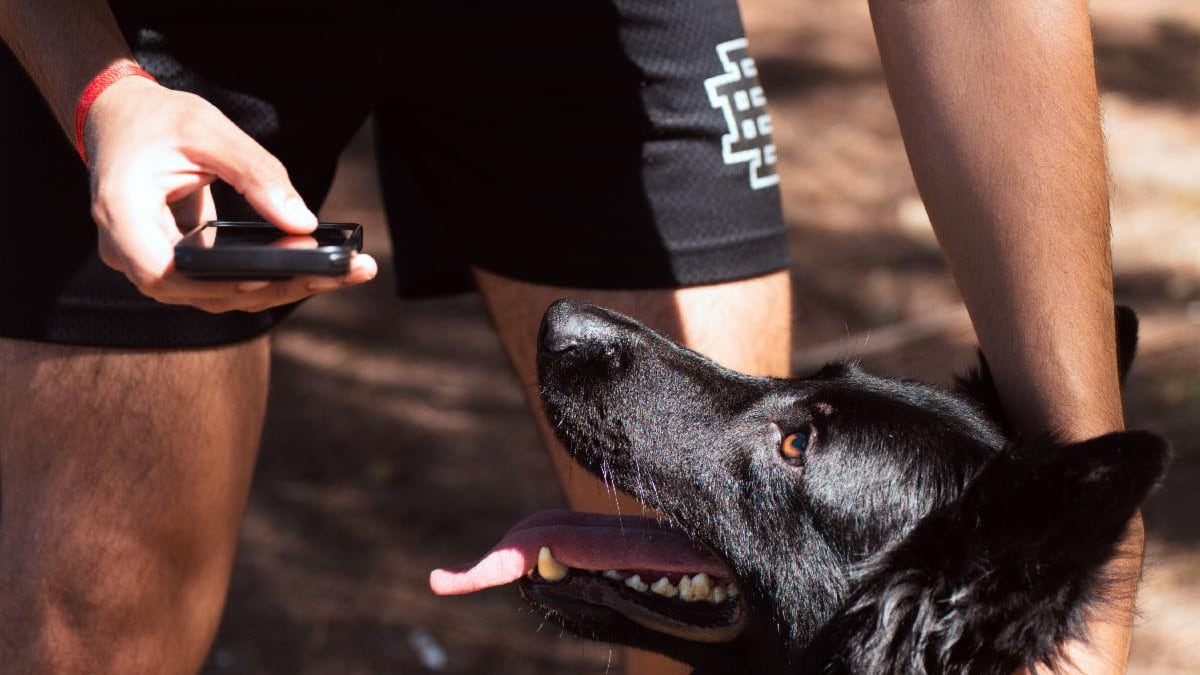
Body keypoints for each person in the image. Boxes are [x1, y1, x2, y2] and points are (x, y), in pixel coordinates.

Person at [0, 2, 1132, 675]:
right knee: (90, 638)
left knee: (729, 607)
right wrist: (100, 87)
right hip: (172, 22)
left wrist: (1080, 581)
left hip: (591, 21)